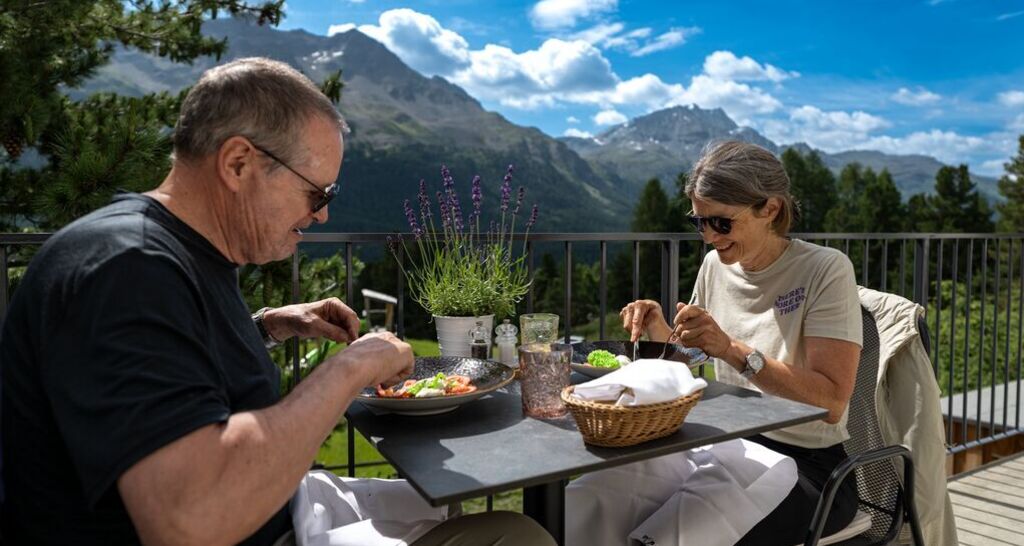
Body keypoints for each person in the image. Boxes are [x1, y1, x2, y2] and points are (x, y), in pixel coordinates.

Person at [0, 57, 555, 546]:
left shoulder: (160, 255)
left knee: (466, 514)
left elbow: (164, 357)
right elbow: (190, 521)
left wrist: (268, 325)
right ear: (238, 163)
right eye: (318, 193)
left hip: (276, 517)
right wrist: (351, 367)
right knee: (518, 535)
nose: (323, 215)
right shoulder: (127, 269)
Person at [617, 140, 863, 545]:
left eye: (722, 223)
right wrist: (660, 328)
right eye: (700, 223)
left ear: (770, 209)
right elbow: (692, 355)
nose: (709, 237)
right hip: (727, 447)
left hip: (809, 469)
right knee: (599, 498)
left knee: (668, 538)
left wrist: (732, 349)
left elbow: (832, 402)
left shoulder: (825, 269)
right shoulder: (716, 265)